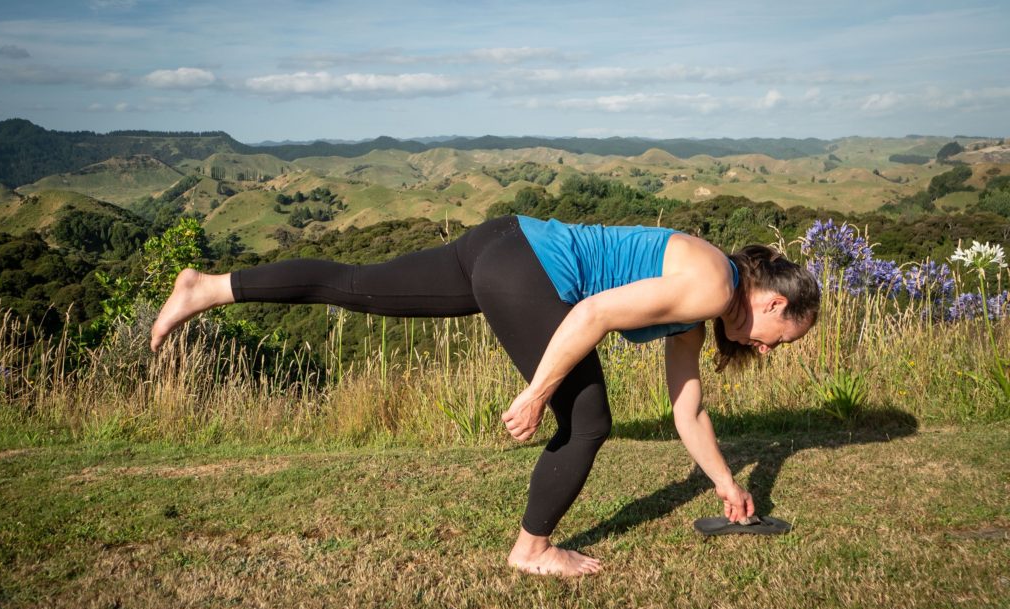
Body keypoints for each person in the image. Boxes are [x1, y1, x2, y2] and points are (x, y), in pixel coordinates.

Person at [150, 214, 820, 577]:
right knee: (586, 419)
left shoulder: (703, 296)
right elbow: (590, 318)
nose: (767, 350)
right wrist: (535, 393)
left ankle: (208, 286)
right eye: (778, 337)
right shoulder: (709, 283)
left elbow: (687, 407)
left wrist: (727, 482)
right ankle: (532, 547)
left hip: (503, 240)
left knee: (357, 284)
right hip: (528, 267)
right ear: (771, 299)